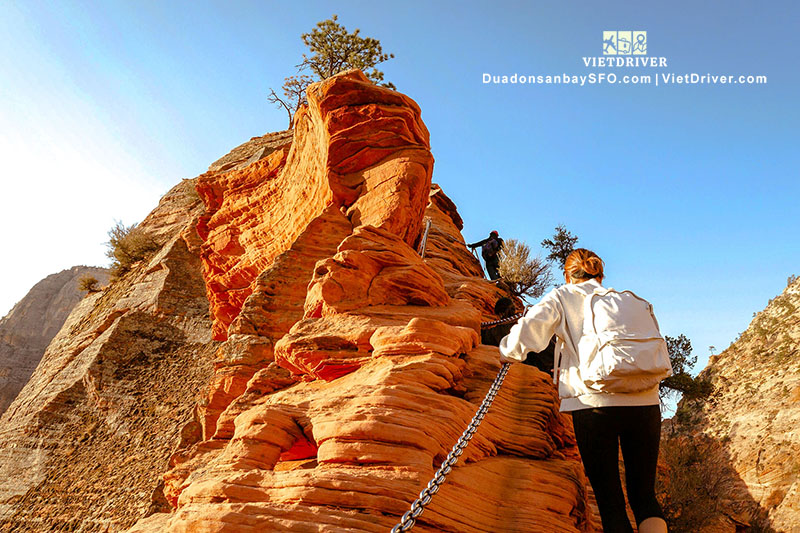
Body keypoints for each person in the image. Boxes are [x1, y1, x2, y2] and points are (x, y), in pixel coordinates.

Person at [498, 248, 668, 533]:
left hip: (594, 406)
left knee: (611, 504)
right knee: (644, 497)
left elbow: (529, 332)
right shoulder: (625, 299)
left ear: (568, 275)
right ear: (600, 275)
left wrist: (506, 352)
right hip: (645, 403)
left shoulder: (563, 296)